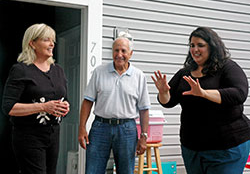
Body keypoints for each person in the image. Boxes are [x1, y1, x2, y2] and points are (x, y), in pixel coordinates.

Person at [152, 27, 250, 174]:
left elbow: (239, 93)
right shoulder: (184, 73)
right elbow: (168, 102)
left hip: (227, 148)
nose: (195, 49)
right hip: (193, 148)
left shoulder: (227, 68)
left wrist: (204, 93)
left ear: (212, 46)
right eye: (192, 45)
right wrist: (163, 92)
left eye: (200, 45)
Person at [78, 32, 150, 174]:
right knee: (93, 170)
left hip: (127, 129)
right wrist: (81, 128)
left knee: (126, 171)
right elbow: (87, 101)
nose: (119, 54)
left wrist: (144, 136)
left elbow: (144, 109)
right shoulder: (99, 72)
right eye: (116, 50)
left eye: (123, 51)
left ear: (131, 53)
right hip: (100, 128)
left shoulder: (139, 76)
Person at [2, 23, 70, 174]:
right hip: (28, 136)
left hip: (53, 134)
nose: (52, 44)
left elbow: (65, 99)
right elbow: (9, 107)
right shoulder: (21, 70)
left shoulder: (58, 70)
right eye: (46, 40)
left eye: (53, 40)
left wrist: (65, 107)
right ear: (32, 43)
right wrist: (43, 107)